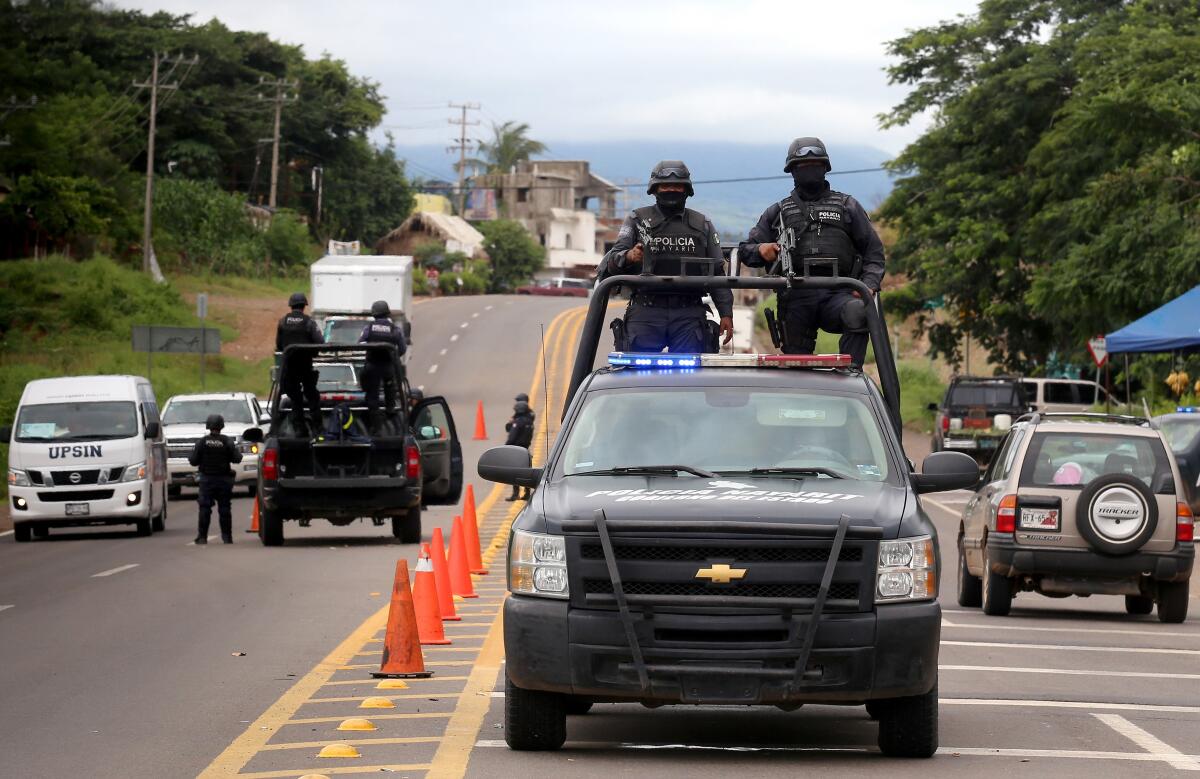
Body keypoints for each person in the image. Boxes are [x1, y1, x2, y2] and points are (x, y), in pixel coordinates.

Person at [738, 137, 885, 367]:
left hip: (838, 291)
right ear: (792, 171)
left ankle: (850, 376)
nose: (808, 171)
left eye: (814, 165)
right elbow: (746, 250)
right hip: (796, 293)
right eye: (802, 166)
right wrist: (761, 249)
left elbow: (874, 252)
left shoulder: (848, 206)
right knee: (795, 368)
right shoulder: (778, 212)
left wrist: (868, 285)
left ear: (825, 168)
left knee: (859, 312)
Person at [598, 161, 733, 353]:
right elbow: (612, 261)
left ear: (687, 190)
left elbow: (718, 273)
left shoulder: (702, 224)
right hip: (646, 311)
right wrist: (629, 256)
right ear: (655, 189)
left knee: (690, 377)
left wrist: (726, 313)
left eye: (677, 186)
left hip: (689, 313)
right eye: (666, 185)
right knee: (636, 376)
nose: (671, 190)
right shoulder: (637, 219)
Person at [275, 292, 325, 435]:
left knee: (295, 399)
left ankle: (300, 429)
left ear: (291, 306)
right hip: (305, 366)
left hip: (289, 367)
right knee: (312, 397)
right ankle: (318, 429)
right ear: (304, 306)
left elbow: (279, 345)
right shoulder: (309, 322)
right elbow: (320, 342)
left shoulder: (282, 322)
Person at [188, 414, 242, 544]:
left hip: (207, 480)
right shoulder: (227, 441)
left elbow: (193, 461)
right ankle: (227, 537)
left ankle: (202, 537)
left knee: (205, 508)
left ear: (208, 426)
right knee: (224, 509)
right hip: (224, 480)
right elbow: (237, 458)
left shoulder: (202, 442)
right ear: (222, 426)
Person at [358, 299, 408, 434]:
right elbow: (402, 349)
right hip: (388, 368)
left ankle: (376, 427)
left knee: (372, 396)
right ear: (387, 313)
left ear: (374, 314)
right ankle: (391, 410)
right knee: (390, 389)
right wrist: (392, 356)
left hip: (372, 367)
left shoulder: (369, 328)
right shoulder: (394, 329)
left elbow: (360, 343)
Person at [504, 399, 535, 501]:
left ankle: (515, 494)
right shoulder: (529, 422)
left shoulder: (517, 422)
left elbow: (511, 436)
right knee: (526, 472)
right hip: (525, 449)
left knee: (514, 473)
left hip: (516, 449)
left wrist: (506, 447)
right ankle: (527, 493)